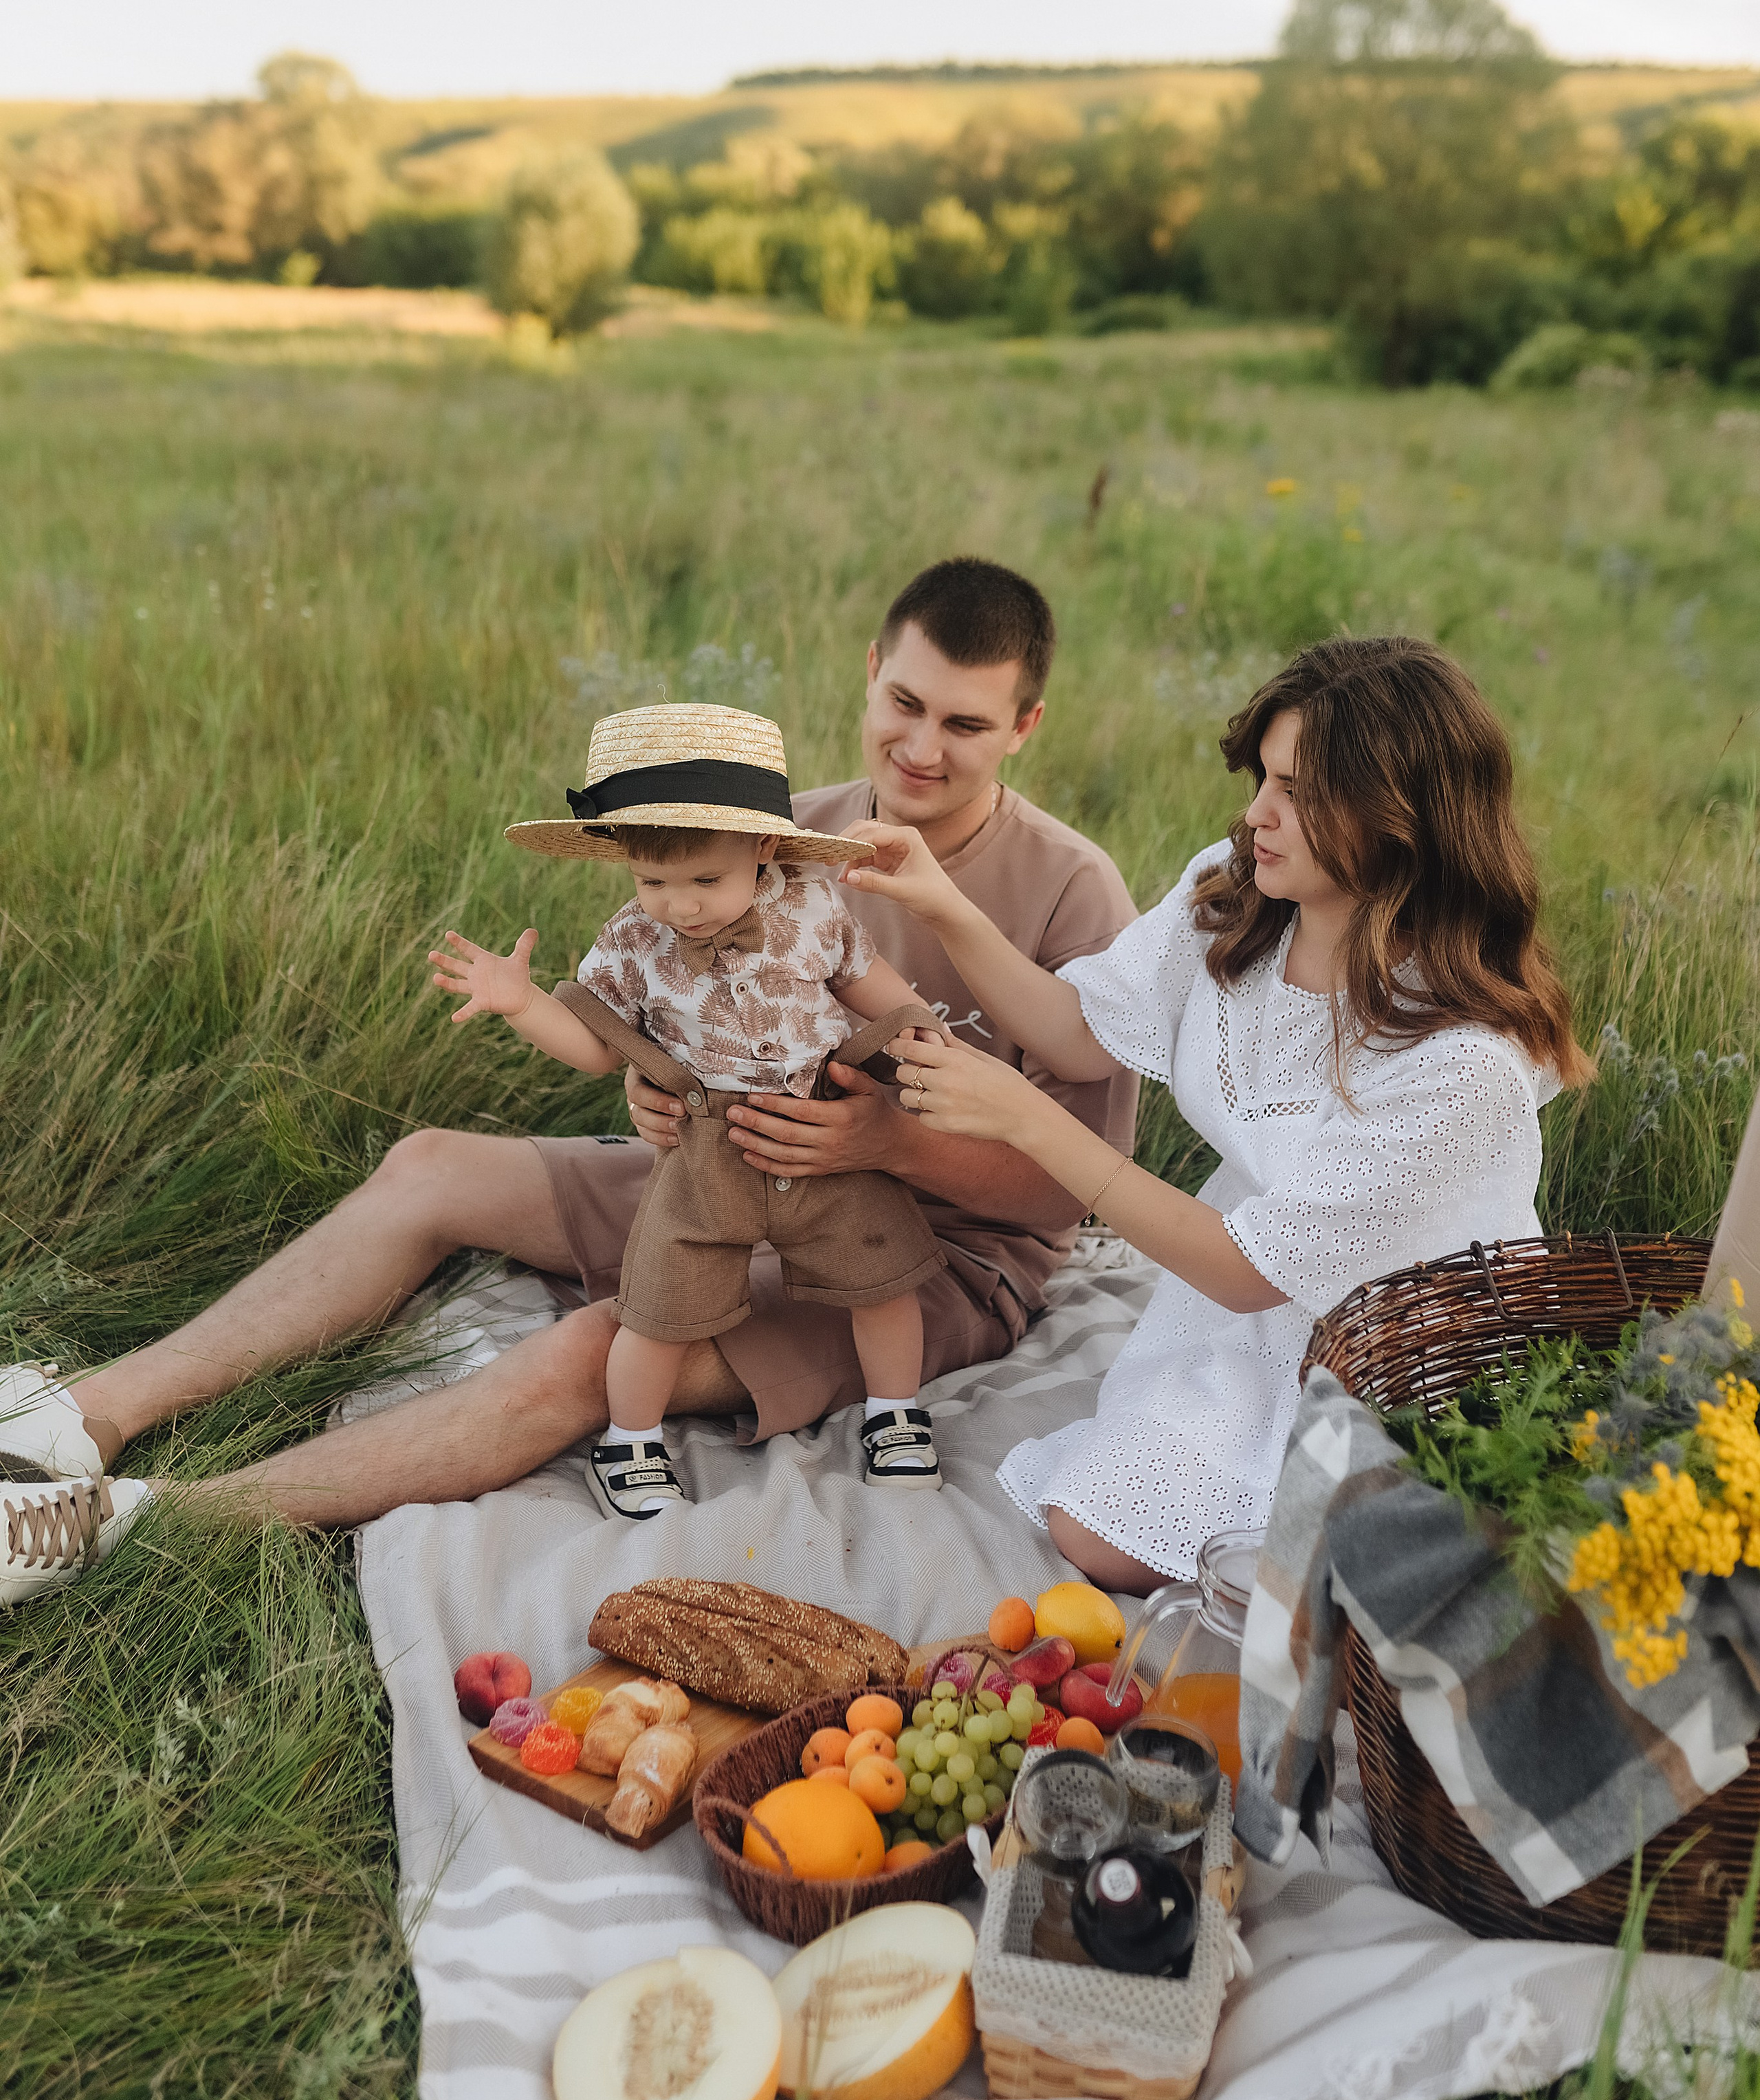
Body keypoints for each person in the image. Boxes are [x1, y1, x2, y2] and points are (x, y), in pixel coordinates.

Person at [0, 558, 1138, 1602]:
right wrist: (649, 1095)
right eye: (906, 703)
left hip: (933, 1247)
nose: (923, 746)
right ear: (872, 672)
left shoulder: (1074, 892)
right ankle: (89, 1415)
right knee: (429, 1163)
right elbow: (667, 1016)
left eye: (966, 722)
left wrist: (881, 1143)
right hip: (726, 1168)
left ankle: (146, 1522)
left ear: (1025, 727)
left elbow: (1062, 1199)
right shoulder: (771, 830)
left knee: (590, 1350)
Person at [849, 634, 1594, 1592]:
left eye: (1296, 791)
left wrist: (1028, 1121)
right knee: (1098, 1524)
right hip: (1243, 1290)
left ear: (1398, 818)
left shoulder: (1462, 1064)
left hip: (1400, 1341)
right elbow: (1077, 1031)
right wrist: (940, 900)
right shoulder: (1243, 894)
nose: (1257, 814)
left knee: (1140, 1542)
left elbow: (1250, 1270)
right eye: (1263, 777)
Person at [432, 700, 953, 1515]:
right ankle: (630, 1438)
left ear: (764, 846)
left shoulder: (812, 907)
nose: (681, 905)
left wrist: (921, 1031)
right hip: (707, 1145)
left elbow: (870, 988)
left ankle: (895, 1413)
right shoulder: (633, 942)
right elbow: (594, 1044)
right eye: (654, 881)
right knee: (659, 1303)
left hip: (823, 1134)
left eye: (705, 879)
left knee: (880, 1278)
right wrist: (521, 1001)